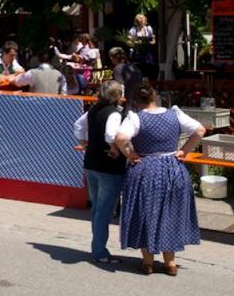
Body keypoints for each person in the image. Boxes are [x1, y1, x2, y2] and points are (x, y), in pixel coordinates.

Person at [113, 85, 204, 275]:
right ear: (156, 97)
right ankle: (170, 263)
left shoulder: (136, 118)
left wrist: (130, 154)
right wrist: (185, 150)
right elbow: (199, 130)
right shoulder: (175, 114)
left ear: (136, 102)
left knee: (146, 213)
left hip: (146, 169)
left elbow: (121, 137)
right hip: (173, 168)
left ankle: (148, 262)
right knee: (170, 214)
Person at [73, 81, 128, 263]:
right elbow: (111, 134)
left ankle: (97, 247)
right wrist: (113, 148)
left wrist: (84, 143)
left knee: (98, 209)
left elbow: (78, 126)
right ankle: (99, 252)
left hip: (91, 163)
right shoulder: (114, 113)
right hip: (108, 166)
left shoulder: (94, 109)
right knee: (104, 211)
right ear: (117, 95)